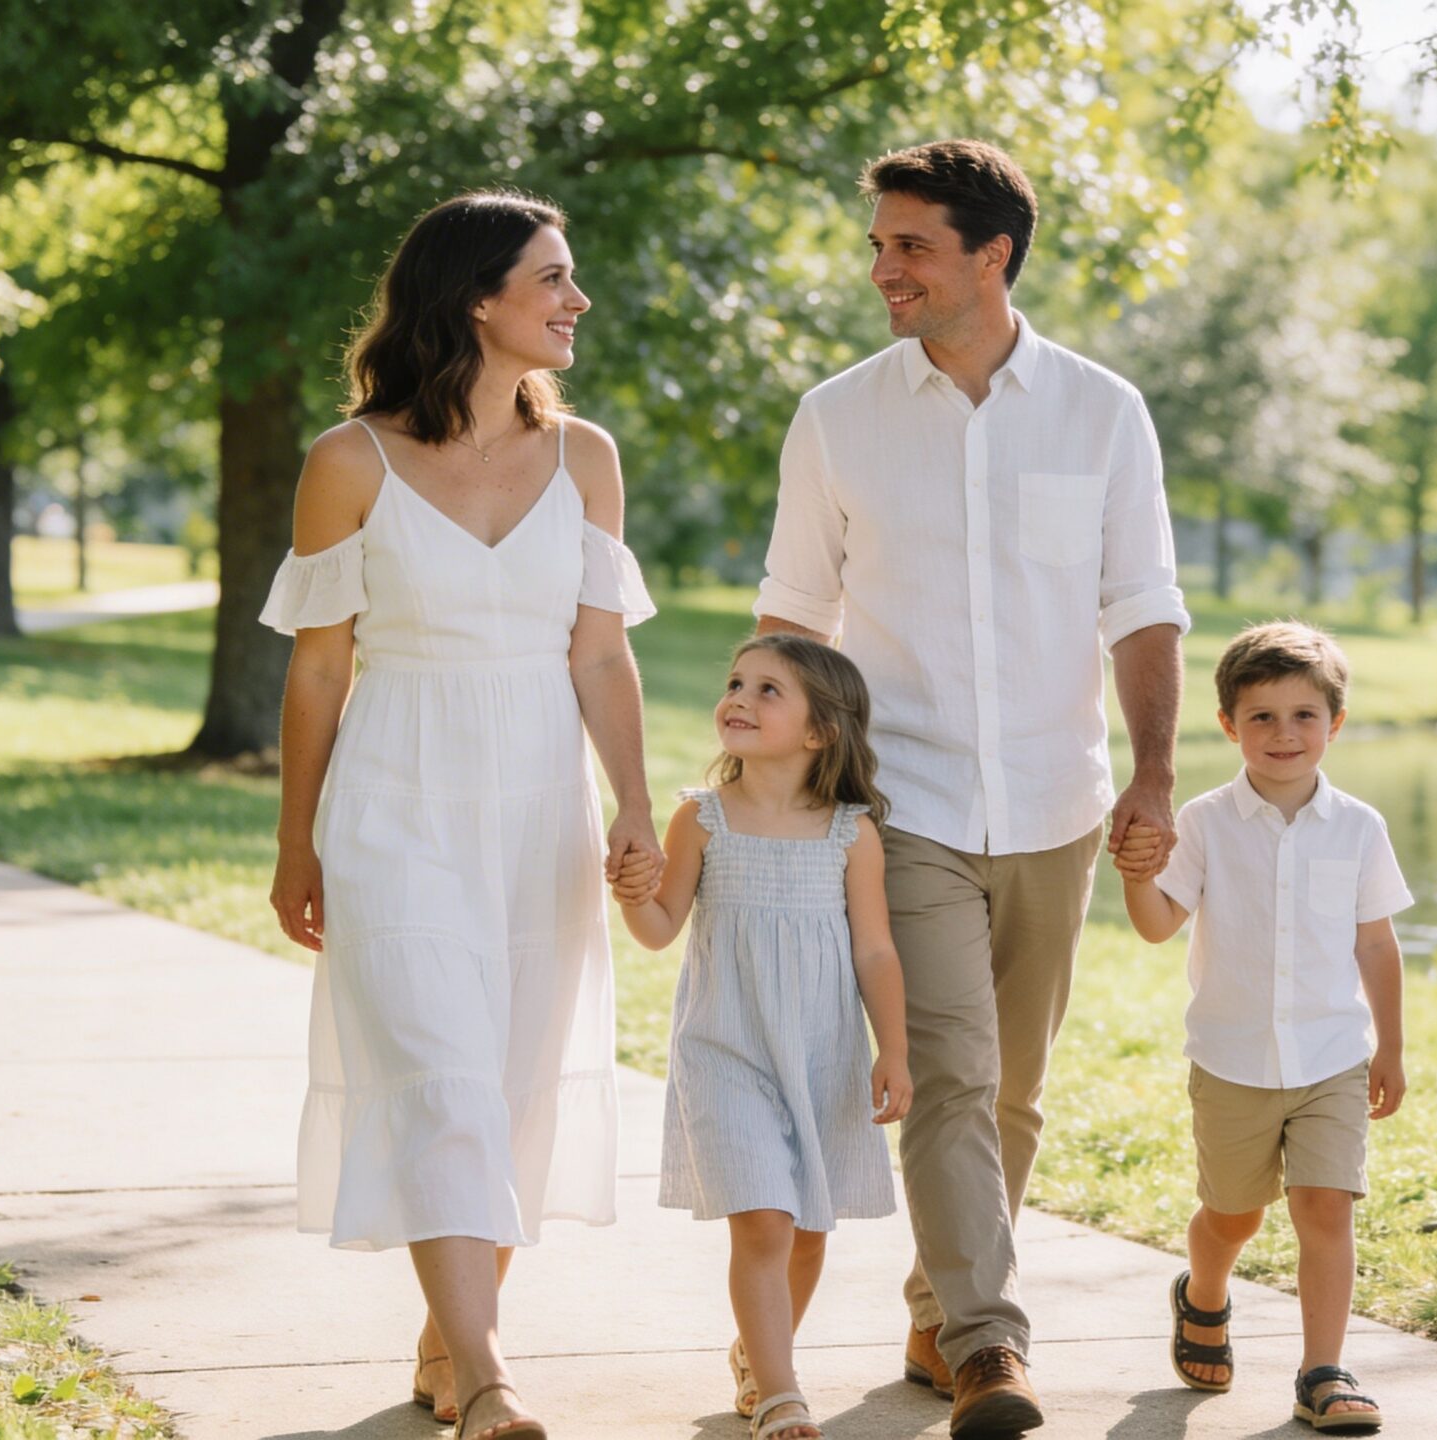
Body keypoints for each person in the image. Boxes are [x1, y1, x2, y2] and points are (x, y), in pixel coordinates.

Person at [753, 138, 1191, 1436]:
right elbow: (793, 616)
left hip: (1059, 799)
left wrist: (1155, 772)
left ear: (991, 255)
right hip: (903, 800)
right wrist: (779, 787)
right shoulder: (838, 417)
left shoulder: (1103, 412)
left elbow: (1144, 609)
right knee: (945, 1073)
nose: (882, 267)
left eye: (911, 246)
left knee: (1013, 1094)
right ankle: (993, 1350)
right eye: (880, 243)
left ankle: (937, 1308)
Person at [261, 188, 662, 1440]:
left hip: (540, 796)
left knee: (512, 1083)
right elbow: (319, 668)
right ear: (476, 298)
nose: (575, 301)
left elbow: (600, 656)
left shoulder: (585, 457)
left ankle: (452, 1337)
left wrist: (636, 811)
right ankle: (490, 1381)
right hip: (394, 797)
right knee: (438, 1077)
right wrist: (296, 842)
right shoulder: (348, 463)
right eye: (552, 279)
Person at [609, 634, 912, 1440]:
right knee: (765, 1222)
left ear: (821, 733)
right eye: (736, 682)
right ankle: (782, 1393)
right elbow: (658, 928)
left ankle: (756, 1352)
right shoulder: (700, 819)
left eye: (768, 690)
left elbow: (875, 949)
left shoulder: (851, 833)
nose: (739, 697)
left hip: (822, 1054)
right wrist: (634, 893)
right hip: (727, 1050)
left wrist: (896, 1050)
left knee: (811, 1230)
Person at [1112, 621, 1410, 1435]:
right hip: (1234, 1059)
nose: (1284, 734)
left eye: (1304, 715)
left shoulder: (1359, 827)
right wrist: (1138, 876)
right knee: (1234, 1214)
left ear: (1335, 723)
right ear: (1228, 726)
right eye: (1262, 717)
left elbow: (1375, 942)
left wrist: (1390, 1046)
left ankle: (1323, 1372)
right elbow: (1157, 924)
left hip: (1332, 1057)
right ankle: (1203, 1293)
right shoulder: (1204, 822)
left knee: (1325, 1209)